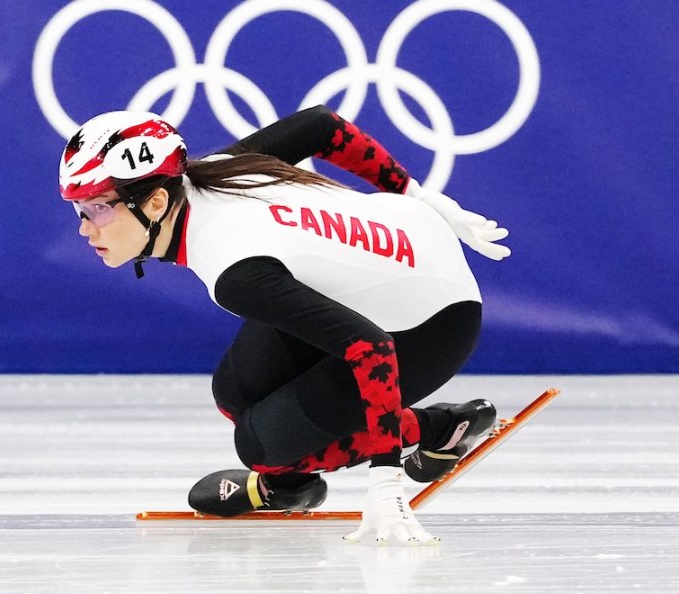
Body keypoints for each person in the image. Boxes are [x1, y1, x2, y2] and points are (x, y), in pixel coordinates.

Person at [58, 105, 509, 544]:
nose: (85, 228)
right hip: (386, 265)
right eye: (80, 210)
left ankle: (438, 429)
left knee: (260, 447)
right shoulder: (214, 171)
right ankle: (294, 487)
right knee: (235, 391)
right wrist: (413, 193)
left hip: (430, 324)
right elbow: (321, 126)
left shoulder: (233, 269)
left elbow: (371, 348)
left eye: (97, 208)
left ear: (156, 202)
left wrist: (386, 483)